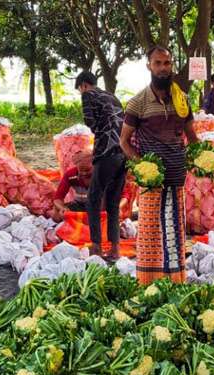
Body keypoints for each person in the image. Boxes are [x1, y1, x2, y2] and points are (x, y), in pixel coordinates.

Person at [119, 45, 199, 285]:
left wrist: (201, 157)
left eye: (167, 63)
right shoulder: (138, 102)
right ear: (149, 66)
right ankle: (147, 282)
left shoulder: (181, 100)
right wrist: (142, 167)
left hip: (176, 177)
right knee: (151, 232)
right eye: (158, 63)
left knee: (175, 231)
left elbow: (191, 136)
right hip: (151, 182)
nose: (163, 68)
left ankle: (175, 281)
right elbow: (123, 141)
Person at [75, 70, 127, 259]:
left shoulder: (88, 95)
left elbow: (91, 123)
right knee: (113, 202)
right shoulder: (112, 96)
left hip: (106, 152)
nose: (82, 92)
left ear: (84, 85)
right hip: (123, 153)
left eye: (80, 89)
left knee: (93, 199)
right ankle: (115, 249)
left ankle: (96, 245)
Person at [52, 149, 94, 220]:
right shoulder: (70, 175)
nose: (84, 173)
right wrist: (63, 208)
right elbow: (57, 198)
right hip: (79, 205)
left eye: (87, 170)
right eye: (80, 170)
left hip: (99, 207)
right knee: (56, 212)